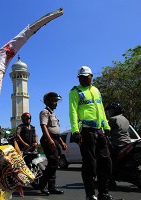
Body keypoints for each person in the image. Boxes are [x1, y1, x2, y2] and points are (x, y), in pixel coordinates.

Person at [69, 66, 113, 200]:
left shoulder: (96, 90)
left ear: (91, 76)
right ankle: (90, 194)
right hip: (86, 132)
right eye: (80, 77)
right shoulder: (75, 91)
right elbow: (73, 112)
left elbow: (101, 109)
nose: (82, 79)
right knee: (90, 164)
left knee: (105, 162)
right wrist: (75, 130)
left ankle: (103, 193)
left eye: (85, 77)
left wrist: (106, 126)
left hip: (100, 131)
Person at [39, 92, 67, 195]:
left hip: (55, 139)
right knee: (53, 163)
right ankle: (42, 185)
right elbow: (44, 126)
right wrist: (49, 139)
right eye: (54, 101)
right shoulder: (44, 112)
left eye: (56, 101)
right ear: (48, 101)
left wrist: (62, 142)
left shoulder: (53, 113)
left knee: (54, 164)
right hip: (49, 140)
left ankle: (52, 187)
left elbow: (56, 130)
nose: (56, 103)